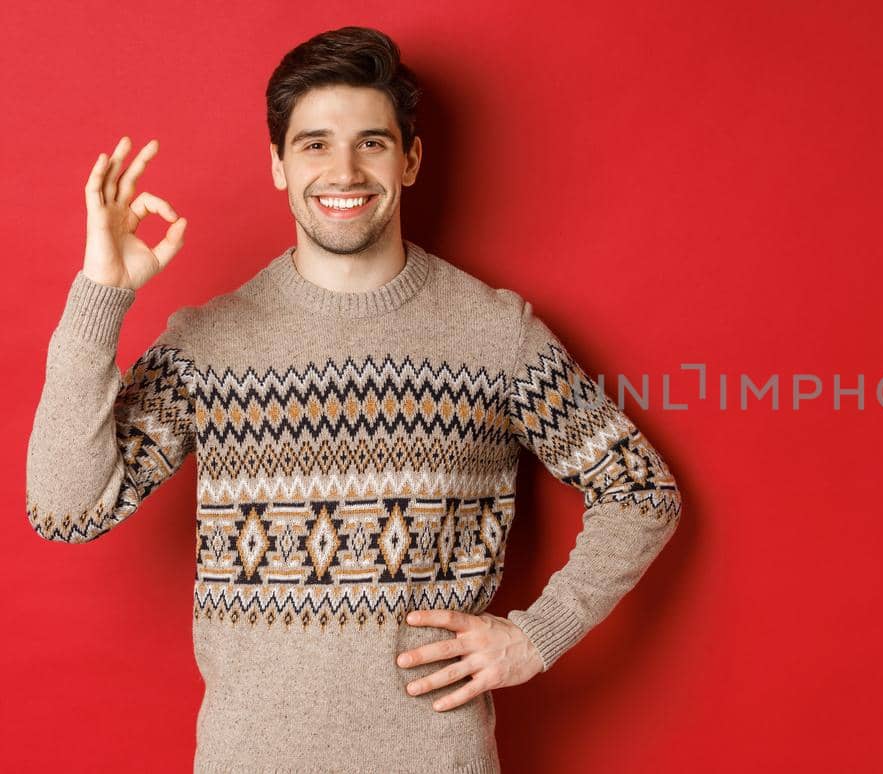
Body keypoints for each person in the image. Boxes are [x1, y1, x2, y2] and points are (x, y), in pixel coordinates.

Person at [24, 25, 683, 773]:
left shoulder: (494, 334)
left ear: (410, 159)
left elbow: (639, 490)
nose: (344, 170)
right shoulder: (211, 343)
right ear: (277, 164)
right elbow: (66, 511)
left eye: (371, 142)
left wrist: (539, 635)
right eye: (313, 144)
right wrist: (101, 294)